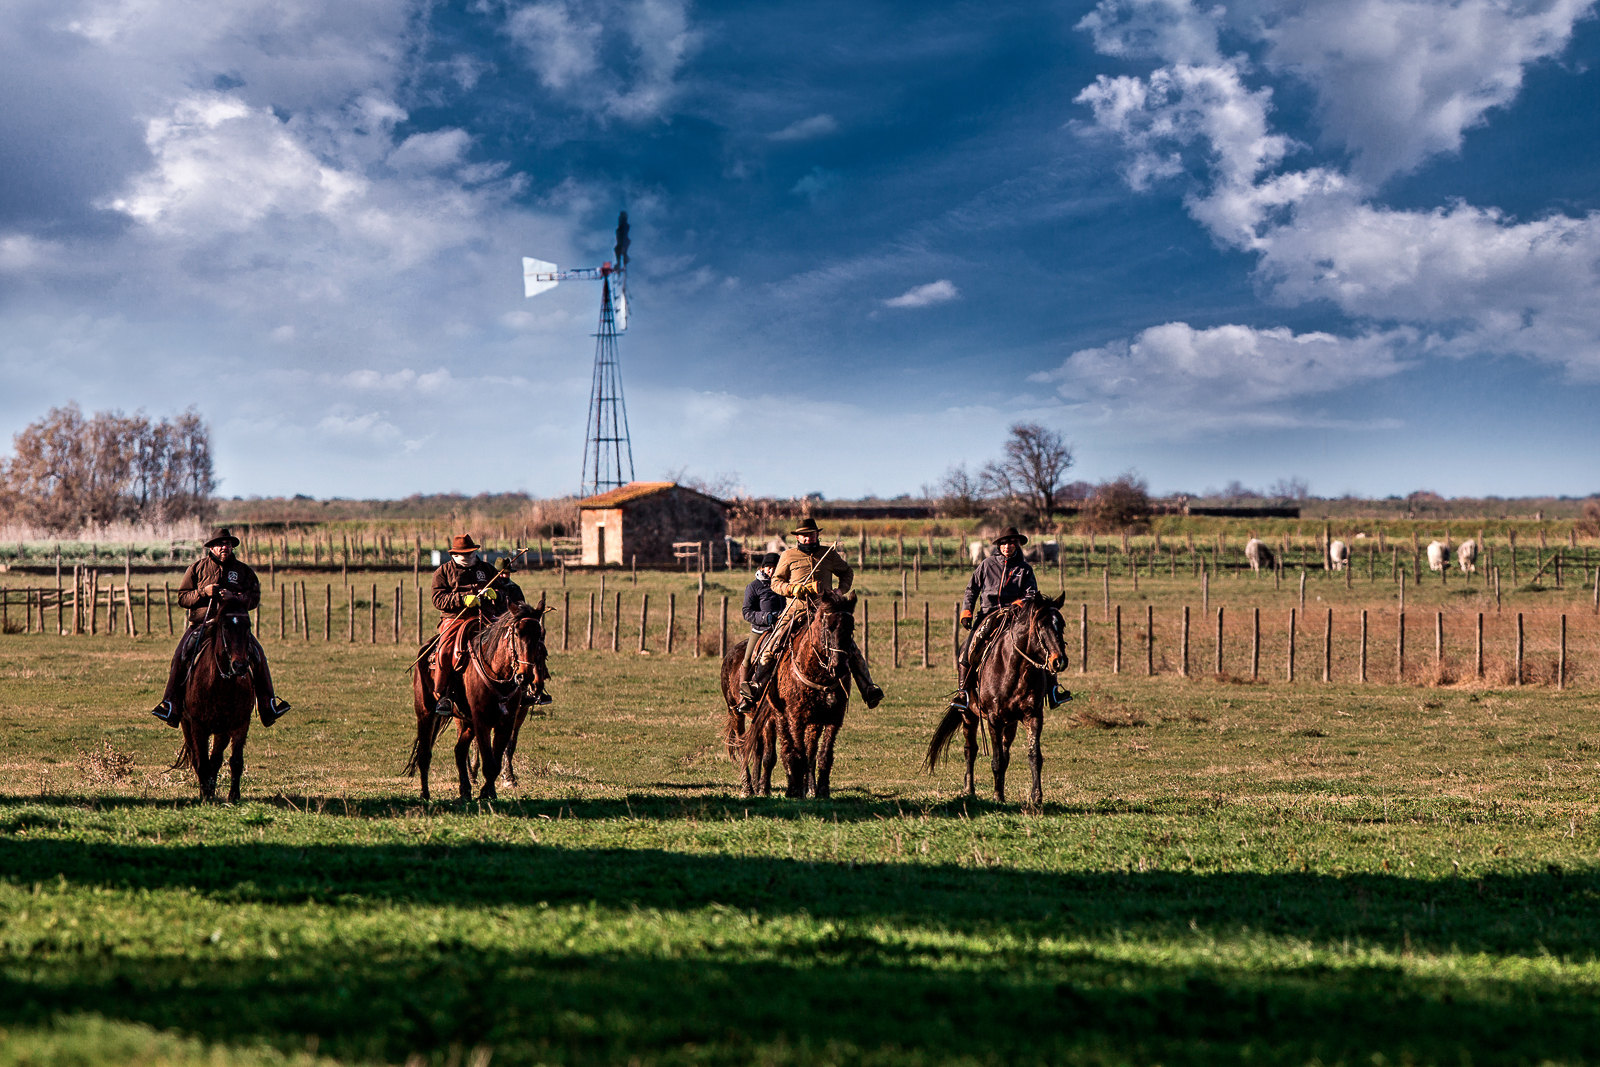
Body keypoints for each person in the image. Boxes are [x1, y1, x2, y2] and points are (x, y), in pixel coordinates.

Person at [737, 517, 884, 712]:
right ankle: (754, 688)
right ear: (798, 537)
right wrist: (792, 589)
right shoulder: (788, 556)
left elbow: (847, 573)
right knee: (770, 649)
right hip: (794, 612)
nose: (807, 539)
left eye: (811, 535)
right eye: (804, 536)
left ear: (817, 535)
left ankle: (868, 688)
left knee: (850, 649)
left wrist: (840, 591)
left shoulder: (828, 555)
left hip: (824, 613)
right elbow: (776, 583)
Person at [150, 527, 291, 728]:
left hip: (234, 627)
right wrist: (203, 592)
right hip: (203, 624)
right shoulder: (197, 569)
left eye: (228, 544)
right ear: (212, 547)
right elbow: (183, 598)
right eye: (220, 544)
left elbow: (254, 598)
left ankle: (268, 706)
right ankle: (171, 705)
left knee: (258, 655)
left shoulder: (244, 571)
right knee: (180, 654)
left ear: (232, 546)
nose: (224, 547)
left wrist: (236, 598)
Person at [951, 526, 1069, 712]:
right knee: (967, 648)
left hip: (1015, 617)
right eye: (1004, 543)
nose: (1008, 546)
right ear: (999, 545)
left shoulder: (1025, 569)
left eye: (1012, 543)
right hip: (988, 615)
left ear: (1017, 545)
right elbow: (972, 589)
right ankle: (963, 693)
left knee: (1042, 646)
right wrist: (966, 611)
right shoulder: (987, 565)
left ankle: (1053, 691)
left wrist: (1018, 603)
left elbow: (1031, 594)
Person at [428, 534, 534, 718]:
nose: (468, 556)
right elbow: (437, 598)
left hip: (486, 616)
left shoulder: (487, 569)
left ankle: (519, 690)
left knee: (512, 641)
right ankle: (442, 695)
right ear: (454, 554)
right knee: (445, 649)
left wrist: (496, 595)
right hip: (455, 618)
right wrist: (462, 599)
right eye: (464, 554)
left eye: (471, 553)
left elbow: (503, 590)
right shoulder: (443, 572)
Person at [739, 552, 786, 682]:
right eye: (768, 567)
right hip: (762, 630)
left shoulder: (785, 585)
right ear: (762, 568)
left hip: (785, 626)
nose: (771, 570)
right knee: (748, 658)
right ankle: (744, 691)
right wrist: (767, 618)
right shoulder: (754, 587)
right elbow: (747, 612)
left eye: (775, 567)